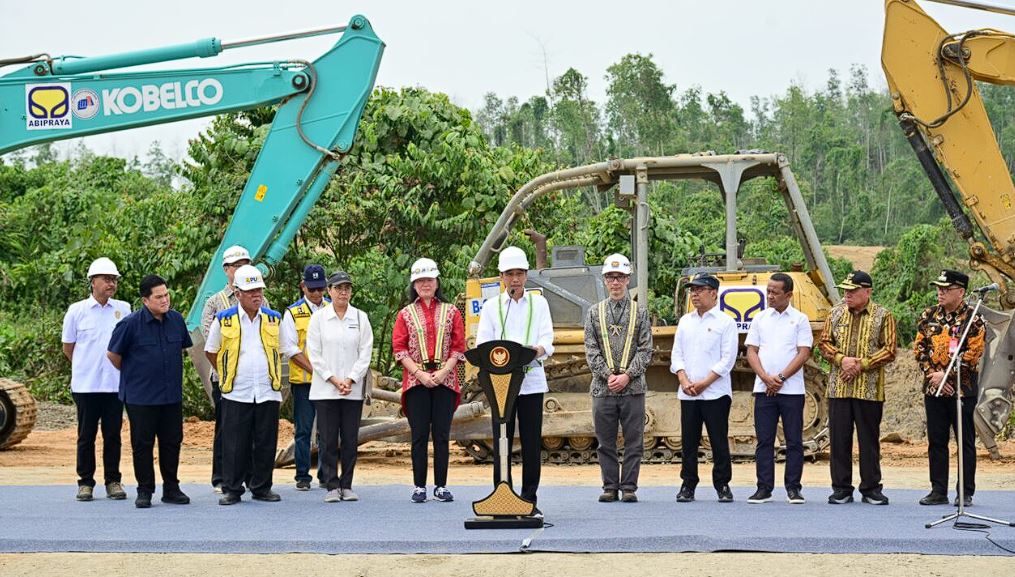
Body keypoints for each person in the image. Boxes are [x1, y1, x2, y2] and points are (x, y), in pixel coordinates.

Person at [476, 246, 554, 515]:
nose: (515, 279)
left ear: (526, 275)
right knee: (502, 440)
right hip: (501, 387)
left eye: (520, 273)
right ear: (502, 277)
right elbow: (483, 344)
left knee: (532, 442)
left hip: (531, 383)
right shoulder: (491, 307)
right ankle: (502, 495)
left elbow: (547, 340)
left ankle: (529, 499)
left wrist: (537, 351)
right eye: (510, 274)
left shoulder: (539, 303)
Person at [204, 265, 290, 505]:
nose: (257, 295)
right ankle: (232, 488)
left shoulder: (274, 319)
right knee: (234, 442)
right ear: (237, 292)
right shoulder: (224, 320)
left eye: (259, 290)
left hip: (266, 390)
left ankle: (262, 487)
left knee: (265, 441)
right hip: (237, 391)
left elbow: (282, 350)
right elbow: (211, 352)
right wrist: (228, 373)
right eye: (251, 291)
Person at [107, 275, 193, 509]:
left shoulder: (176, 320)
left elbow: (182, 349)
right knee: (143, 444)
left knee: (172, 442)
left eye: (166, 295)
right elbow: (113, 355)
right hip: (140, 397)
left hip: (170, 395)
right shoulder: (129, 324)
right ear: (145, 300)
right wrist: (135, 376)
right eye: (159, 297)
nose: (165, 300)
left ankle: (171, 488)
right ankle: (145, 490)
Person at [817, 270, 897, 505]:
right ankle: (841, 488)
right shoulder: (835, 313)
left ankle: (871, 488)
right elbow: (823, 343)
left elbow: (890, 349)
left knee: (868, 440)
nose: (847, 295)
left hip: (870, 390)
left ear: (867, 291)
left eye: (852, 291)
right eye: (845, 290)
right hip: (839, 389)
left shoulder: (884, 316)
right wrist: (841, 359)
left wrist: (861, 364)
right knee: (839, 439)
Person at [392, 258, 466, 504]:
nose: (425, 284)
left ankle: (442, 485)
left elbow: (458, 347)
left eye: (429, 280)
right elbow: (399, 349)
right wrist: (420, 374)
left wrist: (444, 372)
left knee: (443, 434)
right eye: (420, 280)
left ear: (437, 283)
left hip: (445, 379)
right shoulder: (405, 314)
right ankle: (419, 486)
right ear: (414, 284)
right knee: (419, 434)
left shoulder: (452, 311)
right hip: (416, 382)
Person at [199, 245, 270, 493]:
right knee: (227, 431)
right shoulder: (214, 303)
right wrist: (228, 373)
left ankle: (253, 479)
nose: (242, 268)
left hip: (256, 381)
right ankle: (222, 478)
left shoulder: (262, 300)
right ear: (226, 270)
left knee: (254, 431)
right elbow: (211, 344)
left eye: (246, 264)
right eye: (237, 265)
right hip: (226, 379)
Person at [583, 254, 653, 503]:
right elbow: (591, 350)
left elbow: (646, 350)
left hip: (633, 388)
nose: (615, 282)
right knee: (605, 442)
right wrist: (608, 376)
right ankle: (610, 486)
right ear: (604, 280)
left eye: (620, 277)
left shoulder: (641, 313)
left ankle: (630, 487)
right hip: (603, 389)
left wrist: (627, 376)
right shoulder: (593, 313)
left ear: (628, 279)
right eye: (611, 277)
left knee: (634, 441)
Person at [61, 257, 131, 502]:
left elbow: (127, 346)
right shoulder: (77, 311)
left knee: (113, 435)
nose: (111, 284)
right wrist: (85, 366)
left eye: (114, 280)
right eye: (107, 279)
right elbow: (68, 347)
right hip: (86, 385)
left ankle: (113, 480)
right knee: (86, 435)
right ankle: (85, 482)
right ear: (93, 282)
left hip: (114, 384)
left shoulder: (124, 309)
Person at [913, 270, 985, 507]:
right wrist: (933, 375)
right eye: (939, 288)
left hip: (962, 391)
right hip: (934, 388)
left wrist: (948, 376)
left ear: (961, 292)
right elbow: (919, 348)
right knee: (937, 440)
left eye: (946, 289)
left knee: (964, 442)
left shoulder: (973, 319)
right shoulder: (929, 315)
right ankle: (938, 490)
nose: (940, 292)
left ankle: (965, 492)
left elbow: (973, 354)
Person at [744, 273, 813, 504]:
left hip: (791, 390)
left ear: (789, 294)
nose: (770, 296)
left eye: (775, 292)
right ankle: (764, 488)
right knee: (764, 440)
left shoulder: (800, 319)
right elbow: (751, 351)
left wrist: (780, 378)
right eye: (768, 291)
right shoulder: (760, 318)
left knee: (793, 440)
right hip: (764, 389)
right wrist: (765, 378)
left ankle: (793, 488)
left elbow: (803, 352)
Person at [305, 271, 373, 503]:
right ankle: (332, 485)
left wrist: (352, 379)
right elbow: (314, 354)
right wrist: (333, 379)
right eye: (338, 288)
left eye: (347, 288)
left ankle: (347, 484)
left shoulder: (360, 317)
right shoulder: (319, 319)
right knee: (328, 439)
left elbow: (365, 353)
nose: (343, 292)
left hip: (352, 391)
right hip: (325, 389)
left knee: (350, 439)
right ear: (330, 290)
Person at [669, 272, 738, 503]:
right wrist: (684, 380)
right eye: (692, 290)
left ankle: (723, 484)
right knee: (688, 442)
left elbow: (727, 360)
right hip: (688, 393)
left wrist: (704, 383)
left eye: (699, 289)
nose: (694, 294)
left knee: (718, 441)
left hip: (715, 393)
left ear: (713, 293)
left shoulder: (726, 322)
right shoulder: (685, 321)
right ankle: (688, 484)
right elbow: (676, 354)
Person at [280, 264, 328, 491]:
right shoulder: (292, 313)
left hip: (330, 382)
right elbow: (290, 348)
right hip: (305, 382)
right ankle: (302, 476)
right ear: (303, 287)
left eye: (320, 289)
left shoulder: (333, 308)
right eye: (312, 289)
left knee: (328, 429)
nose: (317, 294)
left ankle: (326, 474)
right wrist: (315, 370)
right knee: (303, 429)